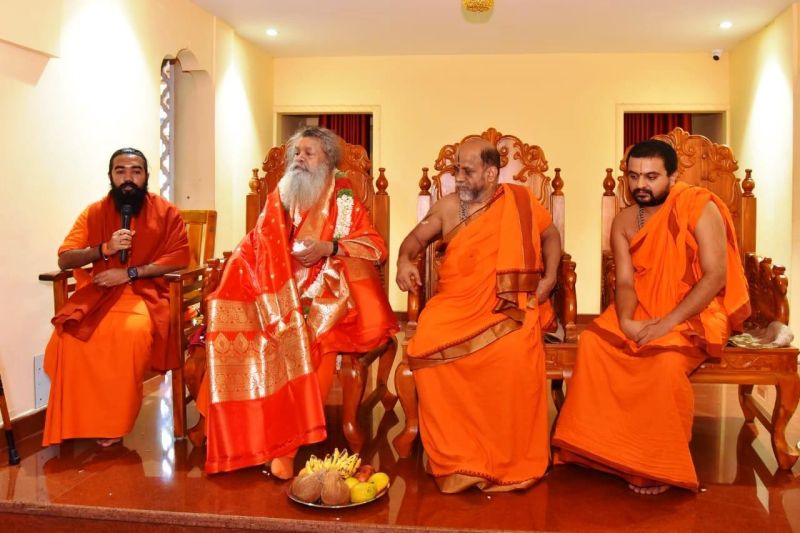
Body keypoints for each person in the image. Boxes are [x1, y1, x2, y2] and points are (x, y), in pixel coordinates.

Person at [552, 140, 750, 494]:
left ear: (673, 176)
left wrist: (668, 322)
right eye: (633, 176)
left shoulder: (699, 207)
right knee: (595, 345)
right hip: (642, 305)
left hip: (695, 309)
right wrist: (627, 321)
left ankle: (654, 466)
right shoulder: (625, 221)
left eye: (651, 177)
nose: (640, 184)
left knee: (664, 363)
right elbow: (626, 282)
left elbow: (715, 276)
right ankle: (599, 450)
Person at [198, 126, 398, 478]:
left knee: (314, 342)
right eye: (297, 153)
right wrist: (261, 285)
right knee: (243, 335)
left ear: (328, 161)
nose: (299, 159)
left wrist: (329, 248)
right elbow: (257, 244)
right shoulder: (282, 194)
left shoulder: (345, 199)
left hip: (325, 299)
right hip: (275, 292)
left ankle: (285, 447)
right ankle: (231, 432)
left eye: (309, 153)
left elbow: (375, 247)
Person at [395, 138, 562, 493]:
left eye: (467, 171)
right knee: (426, 345)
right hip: (455, 303)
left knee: (514, 350)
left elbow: (549, 235)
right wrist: (403, 261)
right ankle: (457, 457)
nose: (458, 177)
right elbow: (414, 240)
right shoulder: (447, 207)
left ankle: (507, 459)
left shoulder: (520, 200)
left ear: (490, 173)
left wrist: (549, 278)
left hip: (508, 303)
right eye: (456, 169)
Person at [43, 148, 190, 447]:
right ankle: (77, 422)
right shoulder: (94, 212)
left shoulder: (166, 212)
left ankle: (112, 424)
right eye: (120, 171)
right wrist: (104, 249)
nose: (128, 178)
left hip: (147, 295)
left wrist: (130, 273)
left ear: (146, 176)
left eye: (136, 171)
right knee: (65, 339)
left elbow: (179, 258)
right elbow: (65, 259)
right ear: (110, 176)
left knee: (128, 336)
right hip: (100, 295)